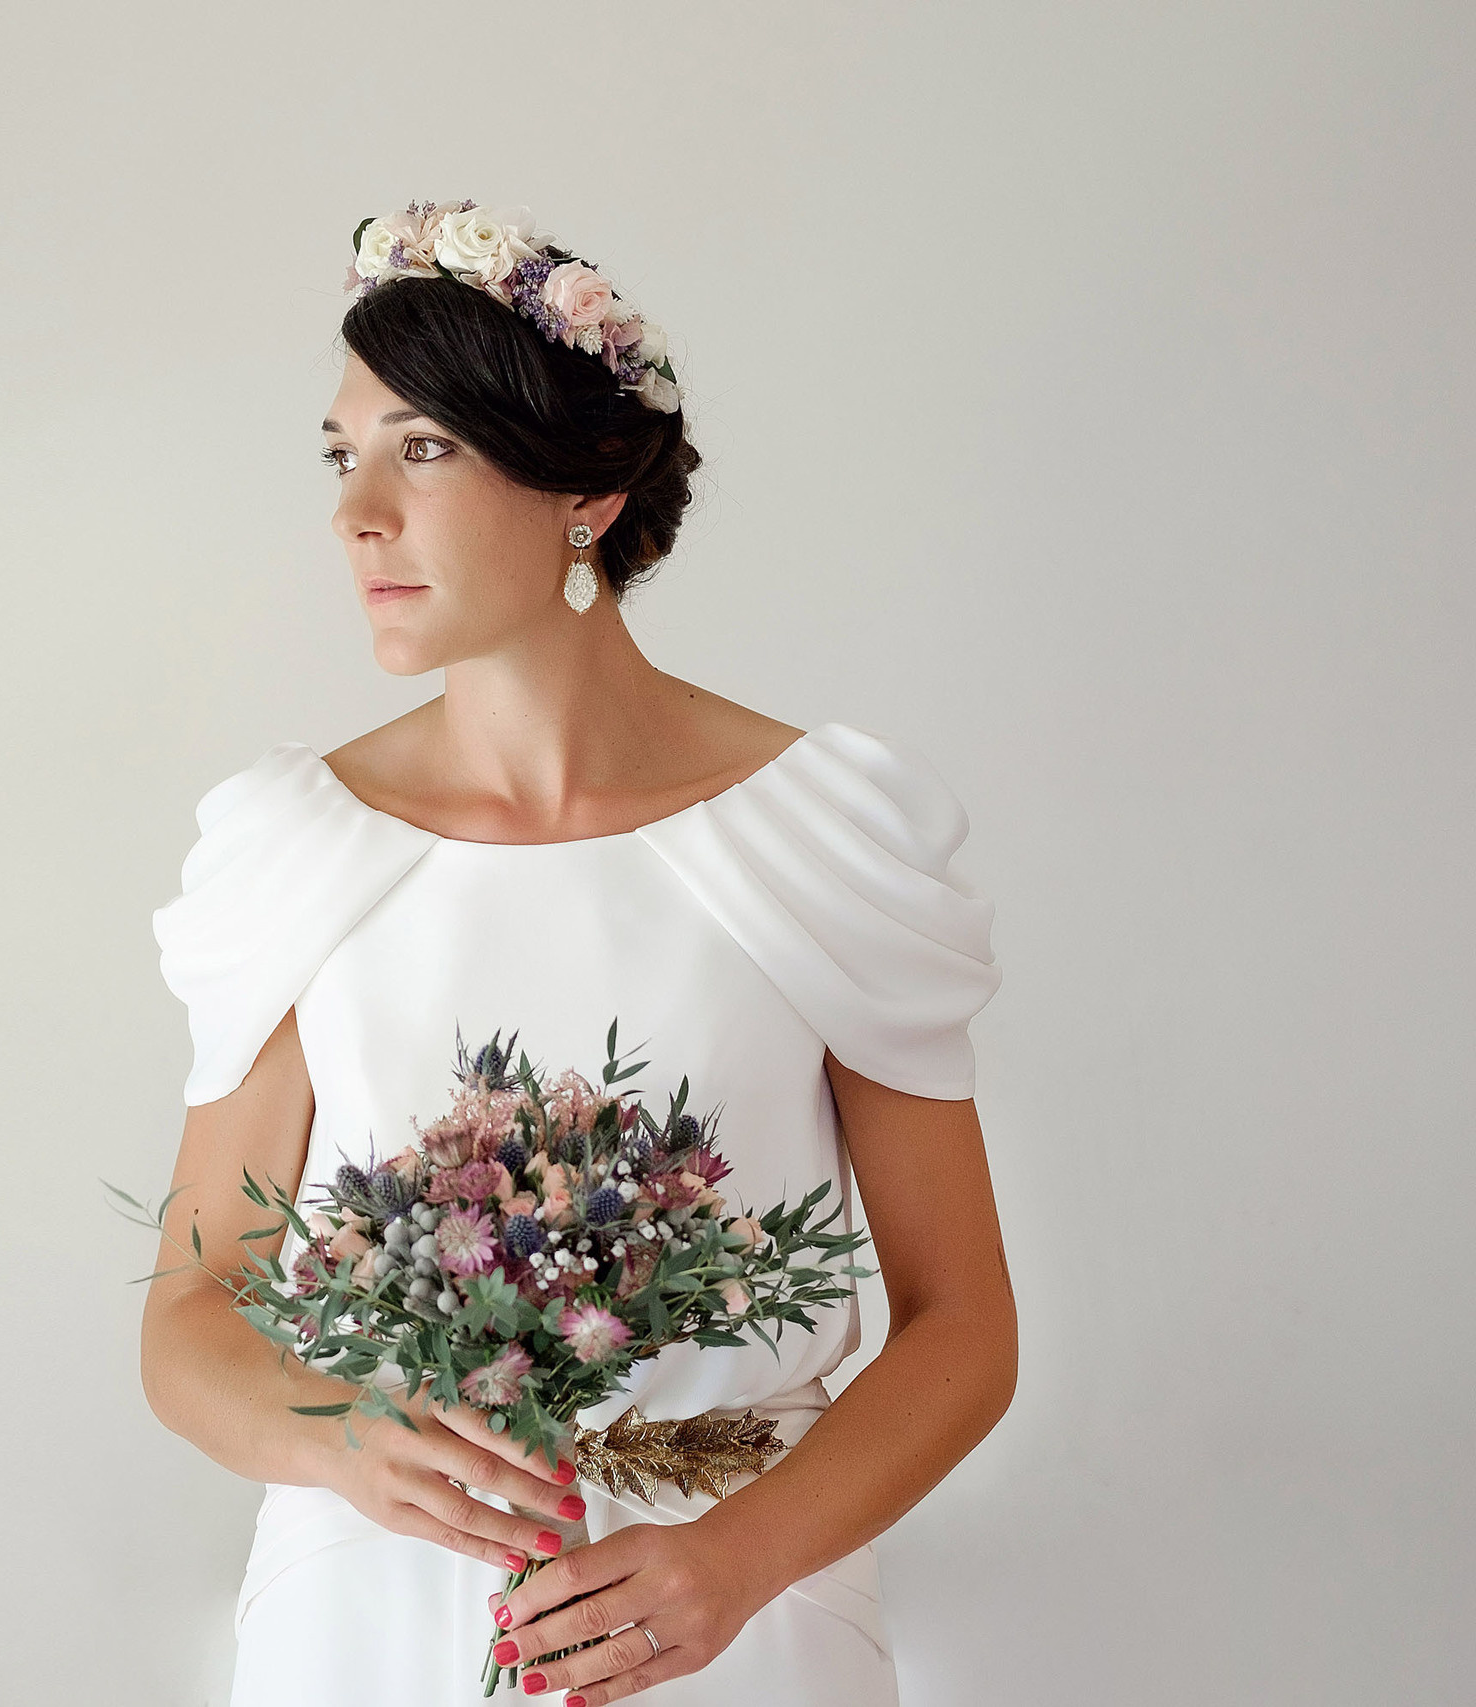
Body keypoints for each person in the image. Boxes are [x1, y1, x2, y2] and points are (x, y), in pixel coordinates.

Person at [139, 201, 1018, 1706]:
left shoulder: (815, 835)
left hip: (742, 1605)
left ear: (587, 495)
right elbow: (190, 1315)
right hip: (376, 1607)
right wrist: (342, 1436)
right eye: (342, 455)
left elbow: (965, 1327)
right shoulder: (302, 848)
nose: (358, 514)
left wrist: (742, 1559)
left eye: (422, 450)